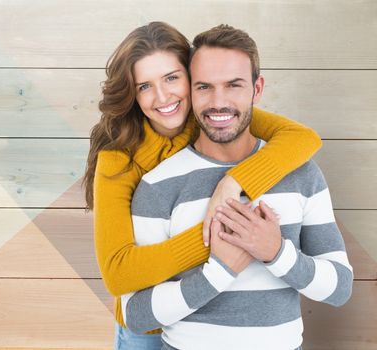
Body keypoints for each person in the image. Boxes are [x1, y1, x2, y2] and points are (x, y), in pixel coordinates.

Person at [83, 22, 322, 349]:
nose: (163, 96)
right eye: (145, 86)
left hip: (206, 321)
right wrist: (229, 232)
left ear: (192, 77)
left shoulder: (212, 116)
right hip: (147, 329)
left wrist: (235, 181)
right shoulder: (118, 159)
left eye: (171, 78)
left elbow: (303, 138)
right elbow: (118, 274)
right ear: (132, 94)